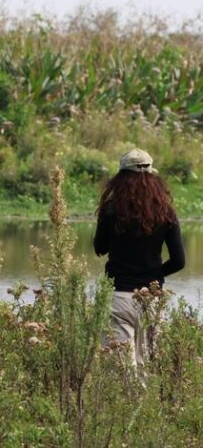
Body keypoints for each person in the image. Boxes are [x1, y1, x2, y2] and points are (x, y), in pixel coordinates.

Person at [94, 148, 185, 366]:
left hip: (118, 296)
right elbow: (179, 261)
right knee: (148, 366)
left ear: (121, 177)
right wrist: (153, 276)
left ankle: (123, 401)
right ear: (153, 176)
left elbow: (100, 248)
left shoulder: (111, 209)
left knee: (120, 371)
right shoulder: (166, 212)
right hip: (151, 298)